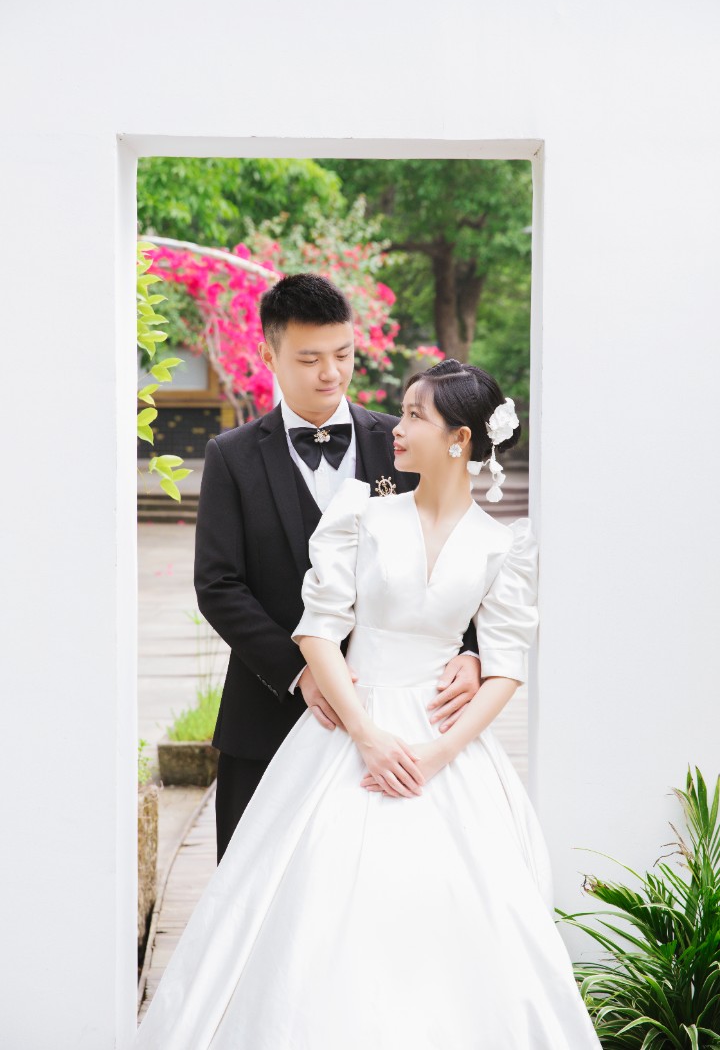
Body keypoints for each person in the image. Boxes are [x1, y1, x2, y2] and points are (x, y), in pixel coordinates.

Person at [136, 358, 602, 1049]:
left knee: (457, 920)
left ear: (460, 440)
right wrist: (367, 736)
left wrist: (438, 754)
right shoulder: (362, 515)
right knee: (317, 908)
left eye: (415, 415)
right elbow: (316, 631)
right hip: (345, 735)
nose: (397, 428)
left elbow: (506, 668)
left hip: (447, 751)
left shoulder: (503, 546)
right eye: (403, 411)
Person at [194, 273, 482, 863]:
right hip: (269, 716)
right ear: (268, 355)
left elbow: (459, 547)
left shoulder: (406, 440)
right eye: (310, 359)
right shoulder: (232, 456)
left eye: (344, 354)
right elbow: (218, 585)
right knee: (257, 882)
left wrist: (473, 652)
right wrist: (301, 672)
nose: (331, 373)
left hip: (401, 717)